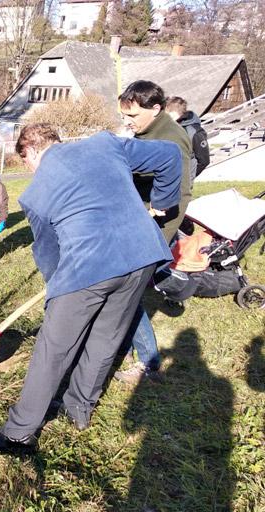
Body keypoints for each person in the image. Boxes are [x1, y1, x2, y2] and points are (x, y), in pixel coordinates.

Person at [0, 124, 181, 454]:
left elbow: (49, 253)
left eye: (25, 160)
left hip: (89, 264)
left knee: (53, 349)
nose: (28, 169)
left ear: (31, 150)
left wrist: (57, 294)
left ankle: (19, 434)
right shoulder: (104, 144)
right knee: (107, 337)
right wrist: (163, 201)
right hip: (140, 254)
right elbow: (170, 155)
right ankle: (78, 411)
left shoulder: (35, 194)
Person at [116, 80, 193, 385]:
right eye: (124, 114)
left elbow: (180, 194)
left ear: (156, 109)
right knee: (121, 290)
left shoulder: (172, 139)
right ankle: (122, 347)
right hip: (135, 221)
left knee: (127, 294)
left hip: (154, 228)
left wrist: (157, 235)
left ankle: (149, 362)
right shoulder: (145, 131)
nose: (127, 121)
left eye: (132, 115)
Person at [165, 96, 210, 180]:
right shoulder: (167, 127)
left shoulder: (194, 132)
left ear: (174, 113)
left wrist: (189, 177)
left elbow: (204, 160)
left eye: (166, 113)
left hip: (182, 181)